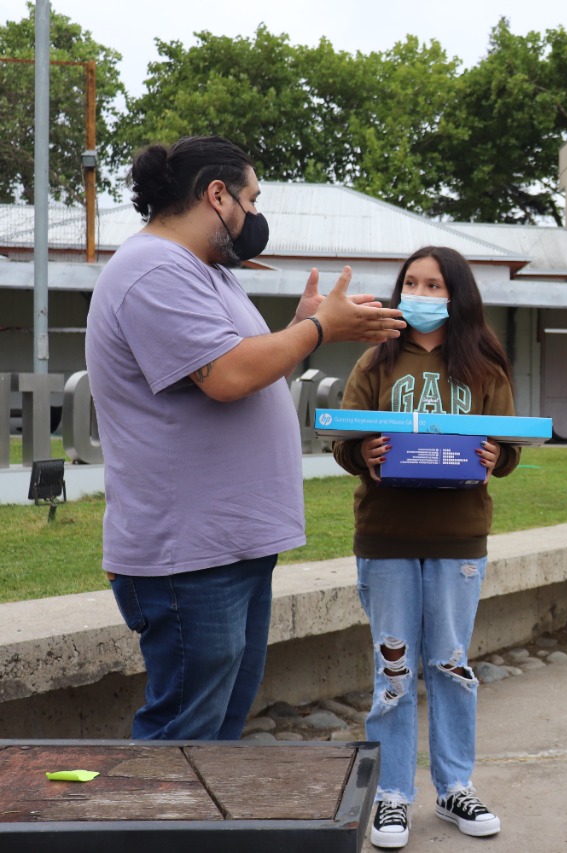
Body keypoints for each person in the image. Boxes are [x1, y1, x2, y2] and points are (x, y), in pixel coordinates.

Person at [85, 135, 405, 741]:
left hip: (229, 548)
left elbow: (250, 368)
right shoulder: (152, 270)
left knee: (218, 733)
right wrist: (318, 329)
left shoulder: (208, 273)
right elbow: (227, 377)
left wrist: (299, 326)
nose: (255, 214)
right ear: (217, 195)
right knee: (184, 738)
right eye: (251, 200)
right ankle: (157, 810)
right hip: (190, 558)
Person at [332, 245, 520, 849]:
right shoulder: (376, 360)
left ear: (456, 294)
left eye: (433, 285)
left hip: (457, 539)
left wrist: (497, 454)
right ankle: (391, 794)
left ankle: (454, 785)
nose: (420, 294)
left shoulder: (485, 366)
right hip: (386, 536)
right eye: (411, 283)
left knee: (452, 666)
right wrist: (362, 451)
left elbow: (508, 447)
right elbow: (343, 440)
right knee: (393, 672)